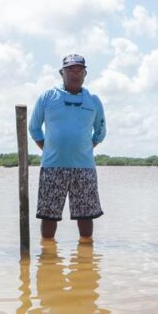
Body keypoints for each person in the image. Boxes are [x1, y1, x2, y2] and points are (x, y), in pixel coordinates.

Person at [29, 54, 106, 242]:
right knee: (48, 215)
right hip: (52, 166)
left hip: (85, 167)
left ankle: (86, 257)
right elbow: (34, 127)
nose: (75, 74)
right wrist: (47, 148)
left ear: (85, 73)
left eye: (79, 70)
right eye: (70, 70)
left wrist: (86, 147)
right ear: (61, 72)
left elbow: (101, 131)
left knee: (86, 215)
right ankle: (48, 254)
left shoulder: (93, 100)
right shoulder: (48, 97)